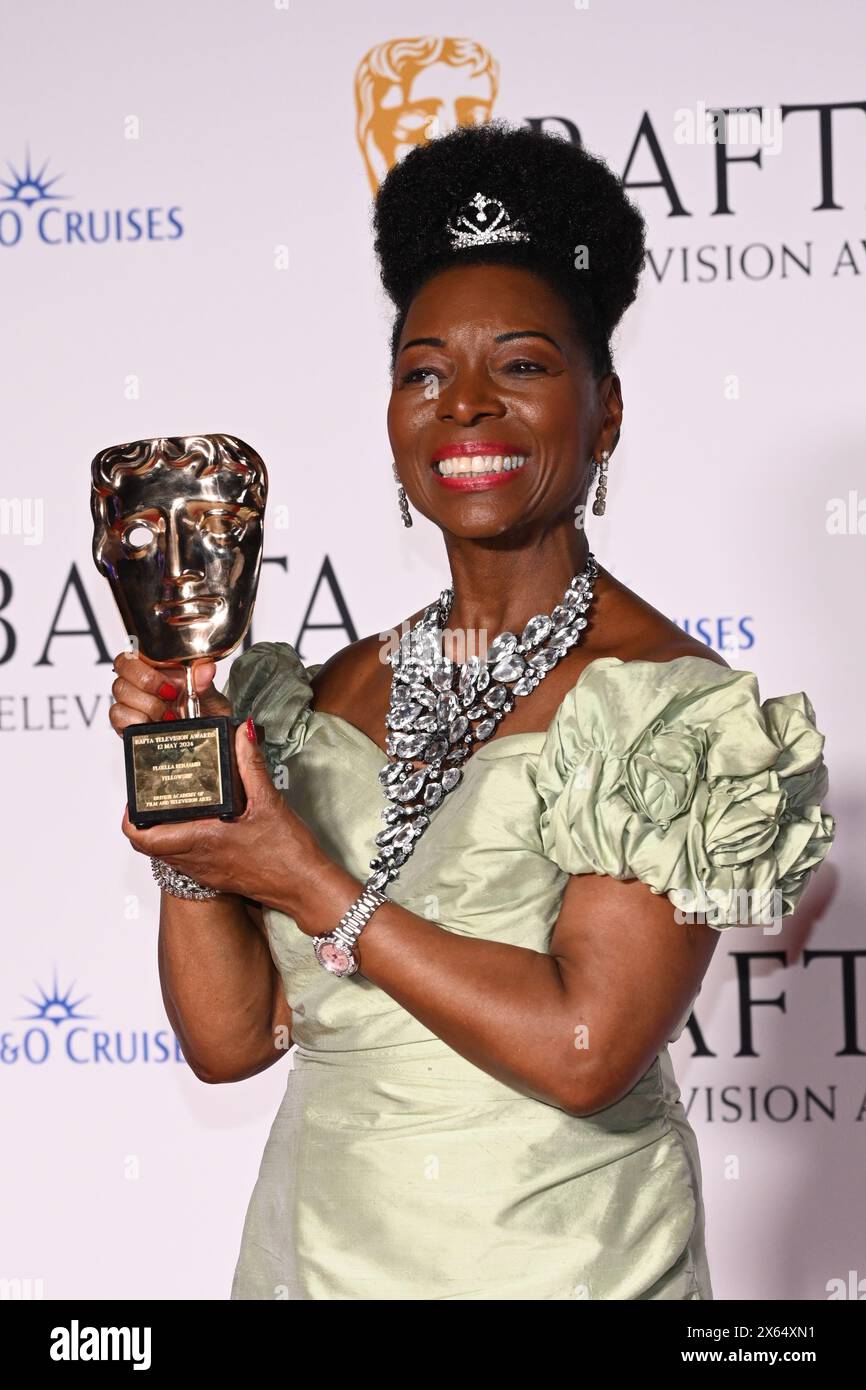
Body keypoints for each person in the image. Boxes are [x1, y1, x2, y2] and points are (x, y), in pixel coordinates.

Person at [110, 120, 837, 1300]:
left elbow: (584, 1049)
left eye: (523, 364)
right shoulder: (317, 695)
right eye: (424, 369)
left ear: (603, 415)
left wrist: (306, 879)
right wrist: (186, 817)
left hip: (567, 1274)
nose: (465, 404)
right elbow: (230, 1042)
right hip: (309, 1268)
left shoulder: (671, 711)